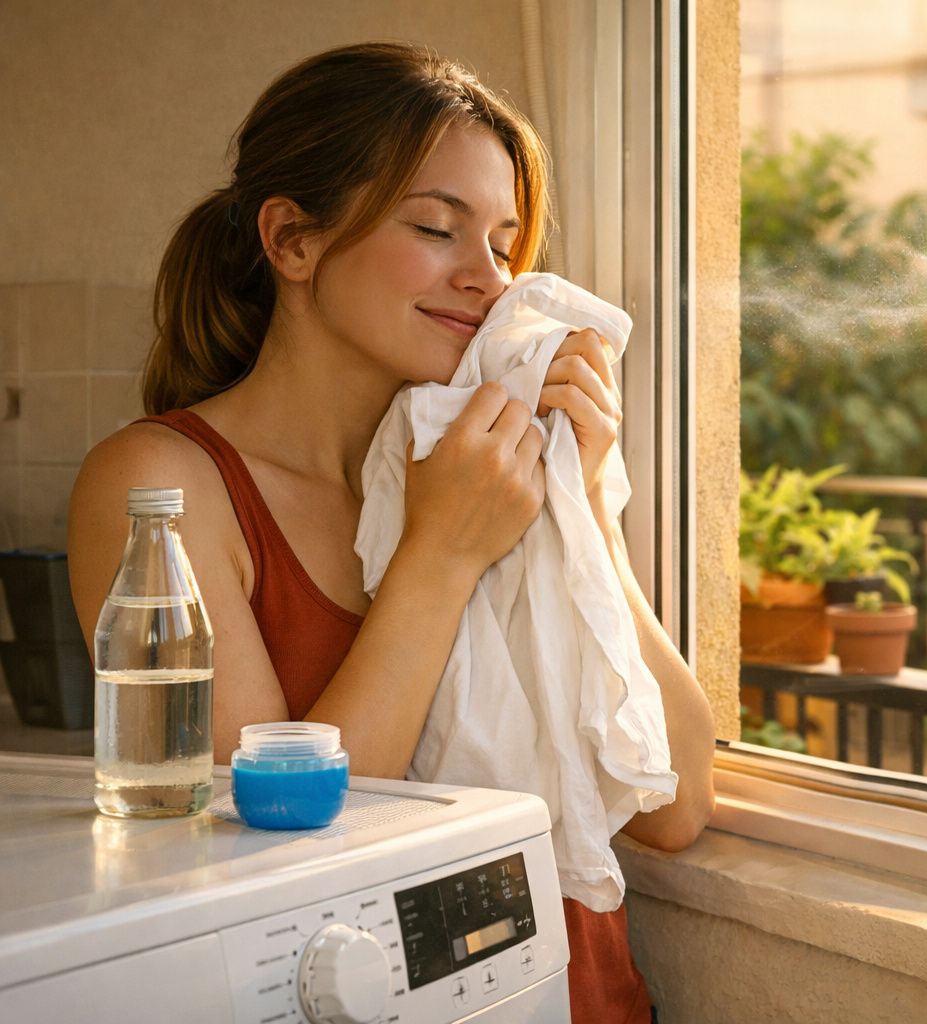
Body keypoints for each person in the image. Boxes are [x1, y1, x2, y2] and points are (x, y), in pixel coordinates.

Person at [66, 42, 714, 1024]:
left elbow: (675, 807)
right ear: (292, 240)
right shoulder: (163, 486)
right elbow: (266, 854)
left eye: (504, 243)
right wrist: (441, 556)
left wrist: (586, 514)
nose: (487, 280)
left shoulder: (492, 471)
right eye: (436, 229)